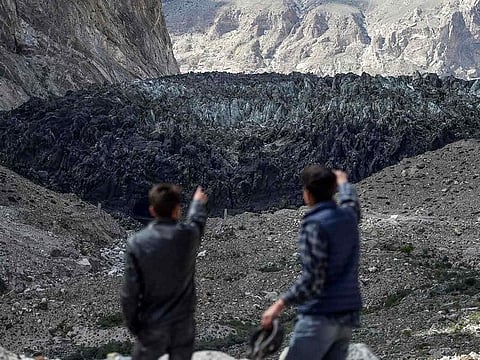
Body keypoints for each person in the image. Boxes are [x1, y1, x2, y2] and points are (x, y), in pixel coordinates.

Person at [261, 165, 362, 359]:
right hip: (347, 316)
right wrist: (344, 184)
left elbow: (313, 278)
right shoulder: (348, 217)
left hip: (320, 315)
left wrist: (279, 305)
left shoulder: (314, 225)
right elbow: (352, 204)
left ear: (307, 194)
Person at [121, 184, 208, 360]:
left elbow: (129, 294)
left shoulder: (137, 243)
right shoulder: (188, 236)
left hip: (152, 326)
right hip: (182, 327)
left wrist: (135, 326)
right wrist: (197, 203)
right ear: (177, 210)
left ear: (152, 210)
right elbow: (196, 222)